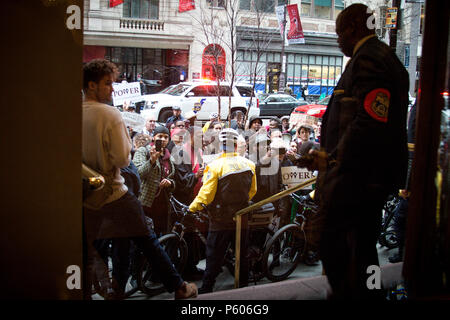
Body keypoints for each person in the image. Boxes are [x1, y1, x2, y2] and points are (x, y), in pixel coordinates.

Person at [302, 4, 409, 299]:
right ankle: (368, 294)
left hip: (359, 177)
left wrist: (334, 159)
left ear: (352, 27)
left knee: (334, 241)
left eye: (338, 34)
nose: (338, 41)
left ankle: (354, 295)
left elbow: (369, 120)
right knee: (363, 248)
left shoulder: (369, 60)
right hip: (371, 176)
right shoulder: (384, 58)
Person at [82, 59, 197, 300]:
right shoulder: (109, 114)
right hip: (115, 193)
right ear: (91, 85)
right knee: (147, 241)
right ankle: (179, 287)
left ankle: (111, 289)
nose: (112, 89)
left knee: (92, 248)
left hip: (86, 196)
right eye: (107, 84)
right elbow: (124, 158)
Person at [188, 128, 257, 294]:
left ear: (221, 145)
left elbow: (206, 195)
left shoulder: (215, 166)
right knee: (242, 252)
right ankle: (243, 286)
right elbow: (252, 191)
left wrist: (192, 207)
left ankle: (207, 289)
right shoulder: (249, 164)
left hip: (220, 219)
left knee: (214, 255)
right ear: (235, 145)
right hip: (242, 216)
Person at [133, 126, 177, 237]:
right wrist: (151, 161)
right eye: (160, 136)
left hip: (163, 205)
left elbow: (173, 179)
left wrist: (170, 183)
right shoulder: (144, 151)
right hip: (146, 204)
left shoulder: (169, 158)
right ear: (154, 138)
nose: (163, 139)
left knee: (159, 236)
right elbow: (137, 174)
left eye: (166, 137)